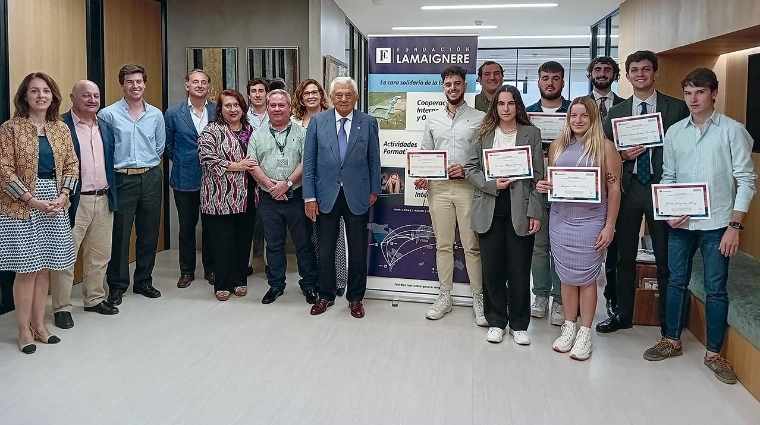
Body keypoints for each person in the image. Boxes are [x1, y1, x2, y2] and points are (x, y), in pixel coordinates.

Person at [643, 68, 756, 385]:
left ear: (714, 94)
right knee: (676, 281)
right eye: (688, 92)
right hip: (681, 224)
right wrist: (668, 212)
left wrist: (735, 226)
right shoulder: (675, 132)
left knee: (716, 289)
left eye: (700, 92)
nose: (693, 99)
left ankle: (714, 354)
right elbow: (669, 178)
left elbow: (747, 182)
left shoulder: (733, 131)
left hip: (719, 224)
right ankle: (672, 341)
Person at [596, 51, 689, 334]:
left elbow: (685, 149)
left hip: (663, 189)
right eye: (634, 70)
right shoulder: (616, 113)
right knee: (623, 255)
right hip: (629, 187)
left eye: (646, 69)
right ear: (626, 75)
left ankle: (667, 320)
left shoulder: (676, 108)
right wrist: (622, 155)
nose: (640, 74)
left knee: (665, 255)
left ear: (655, 73)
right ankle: (622, 314)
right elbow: (604, 154)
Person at [537, 96, 621, 361]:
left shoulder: (606, 148)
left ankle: (585, 331)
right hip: (561, 220)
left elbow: (615, 189)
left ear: (593, 118)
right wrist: (544, 186)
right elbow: (552, 181)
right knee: (566, 277)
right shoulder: (558, 147)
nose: (578, 120)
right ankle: (569, 326)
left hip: (592, 222)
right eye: (573, 115)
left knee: (586, 279)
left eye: (584, 115)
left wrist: (610, 227)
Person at [0, 72, 78, 353]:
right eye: (34, 91)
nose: (41, 95)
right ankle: (23, 330)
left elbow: (72, 164)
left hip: (54, 202)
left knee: (45, 266)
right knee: (26, 270)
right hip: (21, 205)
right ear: (24, 97)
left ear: (53, 96)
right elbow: (4, 169)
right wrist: (31, 199)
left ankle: (39, 324)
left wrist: (63, 195)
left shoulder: (60, 128)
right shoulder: (10, 128)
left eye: (46, 91)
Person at [465, 86, 544, 345]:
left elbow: (538, 177)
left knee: (519, 269)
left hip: (520, 209)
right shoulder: (483, 133)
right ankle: (497, 321)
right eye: (501, 104)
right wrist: (491, 184)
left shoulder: (531, 133)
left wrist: (535, 211)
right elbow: (470, 168)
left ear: (517, 106)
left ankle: (520, 324)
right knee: (493, 269)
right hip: (490, 208)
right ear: (495, 107)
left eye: (511, 103)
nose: (506, 108)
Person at [303, 76, 381, 318]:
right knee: (325, 249)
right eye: (339, 95)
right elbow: (309, 163)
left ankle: (355, 297)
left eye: (348, 94)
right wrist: (309, 197)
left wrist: (374, 189)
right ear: (332, 97)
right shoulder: (318, 121)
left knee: (358, 250)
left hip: (357, 195)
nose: (344, 98)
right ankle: (325, 295)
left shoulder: (368, 122)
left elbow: (374, 160)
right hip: (325, 194)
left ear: (356, 97)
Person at [414, 66, 486, 326]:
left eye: (457, 84)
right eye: (448, 85)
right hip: (439, 189)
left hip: (469, 188)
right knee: (443, 244)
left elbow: (485, 158)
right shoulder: (432, 119)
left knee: (471, 246)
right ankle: (445, 296)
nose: (452, 88)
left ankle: (479, 298)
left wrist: (467, 170)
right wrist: (422, 174)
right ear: (443, 88)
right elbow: (425, 154)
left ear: (465, 86)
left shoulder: (481, 118)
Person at [50, 80, 119, 330]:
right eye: (86, 95)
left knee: (100, 255)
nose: (92, 100)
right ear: (72, 97)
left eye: (96, 95)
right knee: (66, 257)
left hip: (103, 197)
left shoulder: (106, 126)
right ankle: (62, 307)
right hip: (73, 200)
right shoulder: (60, 126)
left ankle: (94, 299)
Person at [99, 64, 165, 306]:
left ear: (144, 83)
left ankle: (144, 281)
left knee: (149, 233)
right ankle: (117, 286)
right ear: (122, 85)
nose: (135, 86)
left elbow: (159, 147)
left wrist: (146, 166)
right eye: (130, 82)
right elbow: (106, 150)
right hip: (121, 178)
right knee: (120, 234)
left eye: (139, 81)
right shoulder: (108, 114)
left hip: (150, 176)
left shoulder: (156, 114)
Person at [248, 89, 319, 304]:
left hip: (296, 196)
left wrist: (286, 183)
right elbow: (252, 163)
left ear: (289, 107)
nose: (277, 109)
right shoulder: (257, 134)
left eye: (282, 105)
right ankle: (276, 285)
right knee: (274, 244)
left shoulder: (301, 133)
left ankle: (309, 285)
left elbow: (307, 162)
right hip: (269, 198)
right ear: (267, 107)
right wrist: (271, 186)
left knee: (303, 243)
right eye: (273, 105)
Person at [198, 89, 257, 301]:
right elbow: (207, 158)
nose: (233, 109)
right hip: (219, 197)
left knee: (243, 241)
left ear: (243, 108)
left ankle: (240, 280)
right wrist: (238, 165)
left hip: (248, 196)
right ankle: (222, 284)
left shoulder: (251, 130)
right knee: (222, 243)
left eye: (236, 105)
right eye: (228, 105)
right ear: (220, 109)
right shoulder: (211, 130)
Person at [292, 78, 349, 296]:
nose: (311, 96)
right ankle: (316, 279)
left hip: (329, 186)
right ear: (301, 97)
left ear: (321, 94)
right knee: (310, 237)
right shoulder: (295, 122)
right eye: (306, 93)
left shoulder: (332, 118)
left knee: (333, 235)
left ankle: (339, 279)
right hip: (302, 186)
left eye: (314, 92)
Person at [526, 61, 572, 326]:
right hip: (536, 188)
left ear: (563, 82)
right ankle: (541, 295)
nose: (550, 82)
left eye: (556, 78)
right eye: (545, 78)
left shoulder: (573, 113)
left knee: (562, 248)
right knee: (539, 247)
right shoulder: (528, 115)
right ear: (539, 82)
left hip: (566, 190)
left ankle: (559, 299)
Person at [164, 69, 217, 289]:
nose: (199, 85)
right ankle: (186, 271)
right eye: (195, 82)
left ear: (208, 87)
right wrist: (183, 160)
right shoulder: (174, 112)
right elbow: (166, 146)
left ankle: (211, 268)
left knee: (211, 226)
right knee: (186, 227)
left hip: (214, 179)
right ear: (187, 85)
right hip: (184, 178)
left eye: (203, 82)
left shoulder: (217, 110)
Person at [587, 56, 626, 317]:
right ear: (590, 73)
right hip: (582, 189)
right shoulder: (578, 106)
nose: (602, 74)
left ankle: (613, 300)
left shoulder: (626, 108)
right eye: (597, 69)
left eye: (607, 70)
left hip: (617, 184)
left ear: (615, 75)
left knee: (616, 246)